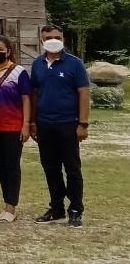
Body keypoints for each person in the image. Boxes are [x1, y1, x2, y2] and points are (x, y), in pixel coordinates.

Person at [30, 24, 90, 228]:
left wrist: (83, 123)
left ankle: (75, 209)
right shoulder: (37, 64)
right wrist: (32, 121)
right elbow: (35, 94)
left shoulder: (75, 64)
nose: (52, 39)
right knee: (50, 167)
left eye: (57, 36)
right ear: (41, 40)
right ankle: (56, 208)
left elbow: (83, 93)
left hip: (68, 124)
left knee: (72, 168)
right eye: (48, 37)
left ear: (63, 39)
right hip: (44, 124)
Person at [0, 34, 31, 223]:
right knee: (1, 166)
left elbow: (26, 98)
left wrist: (26, 124)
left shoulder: (19, 72)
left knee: (12, 165)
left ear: (8, 51)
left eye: (0, 49)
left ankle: (12, 207)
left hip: (13, 125)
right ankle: (6, 203)